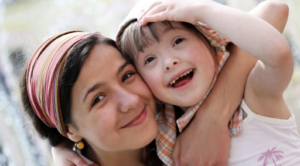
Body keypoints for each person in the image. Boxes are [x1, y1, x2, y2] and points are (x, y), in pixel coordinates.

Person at [51, 1, 292, 166]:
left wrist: (200, 11)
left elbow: (277, 46)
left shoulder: (252, 97)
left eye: (178, 41)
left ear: (209, 41)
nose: (169, 62)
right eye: (149, 60)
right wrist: (63, 150)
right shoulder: (167, 133)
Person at [20, 31, 161, 166]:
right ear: (70, 131)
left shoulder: (175, 116)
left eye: (127, 76)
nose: (132, 101)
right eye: (98, 99)